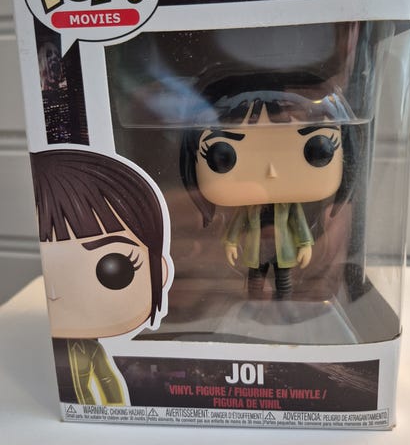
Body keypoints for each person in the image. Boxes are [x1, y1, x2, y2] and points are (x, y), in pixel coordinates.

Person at [181, 73, 360, 298]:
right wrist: (231, 242)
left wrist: (305, 243)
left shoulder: (288, 205)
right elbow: (237, 224)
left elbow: (298, 223)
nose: (271, 172)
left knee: (283, 279)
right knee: (256, 278)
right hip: (255, 250)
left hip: (283, 250)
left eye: (318, 150)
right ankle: (256, 298)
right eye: (223, 155)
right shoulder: (249, 206)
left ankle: (283, 298)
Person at [30, 149, 170, 405]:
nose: (55, 293)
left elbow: (108, 381)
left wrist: (116, 408)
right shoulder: (39, 345)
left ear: (159, 270)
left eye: (114, 269)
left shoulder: (91, 349)